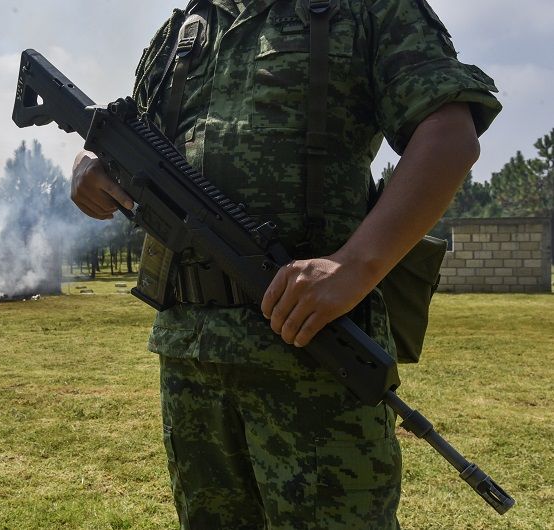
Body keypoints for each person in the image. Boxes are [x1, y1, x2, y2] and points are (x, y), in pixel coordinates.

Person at [70, 0, 501, 528]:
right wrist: (90, 163)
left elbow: (450, 135)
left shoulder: (365, 10)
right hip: (192, 361)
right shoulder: (189, 26)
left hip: (314, 357)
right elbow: (135, 138)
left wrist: (354, 267)